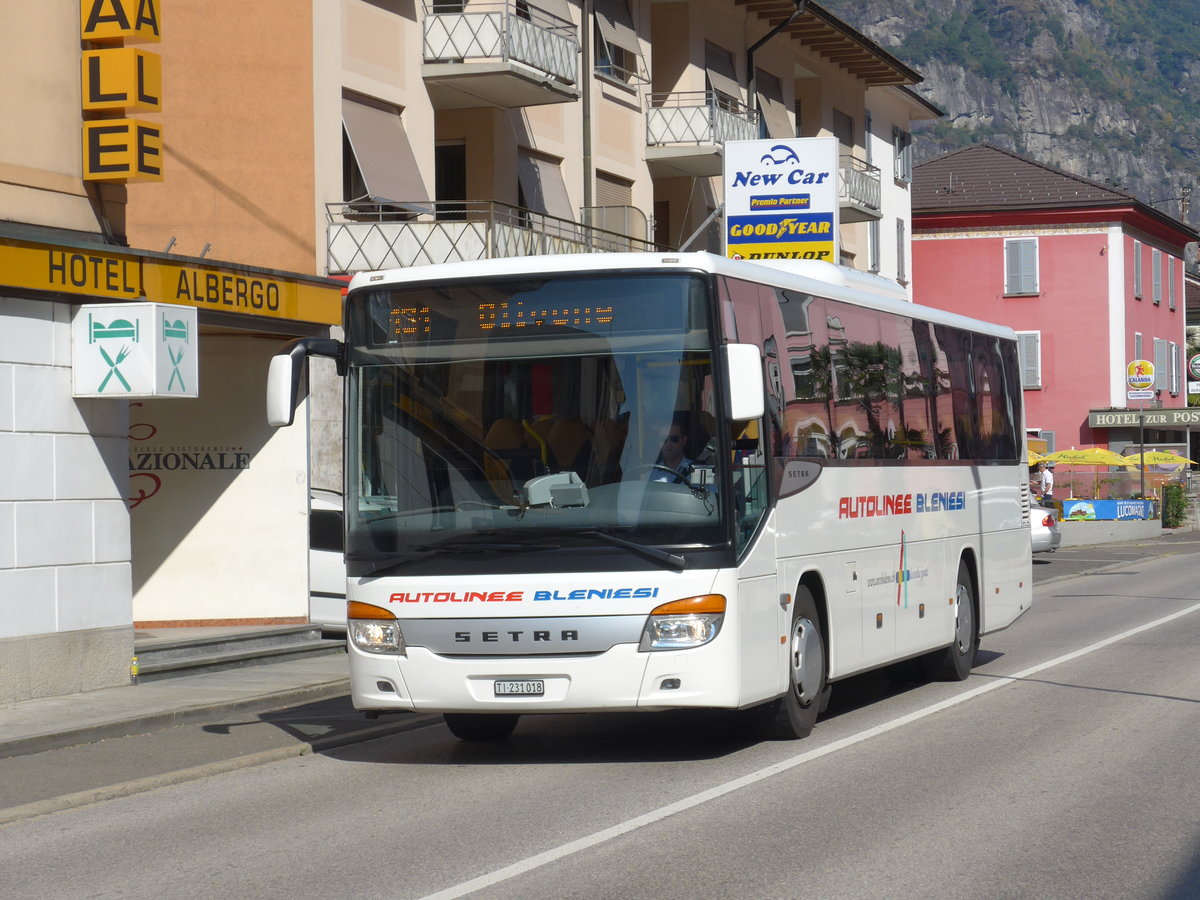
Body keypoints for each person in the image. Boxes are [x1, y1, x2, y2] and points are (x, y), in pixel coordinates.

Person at [649, 416, 693, 484]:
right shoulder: (650, 475)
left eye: (674, 438)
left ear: (684, 441)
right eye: (663, 439)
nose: (669, 443)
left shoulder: (697, 472)